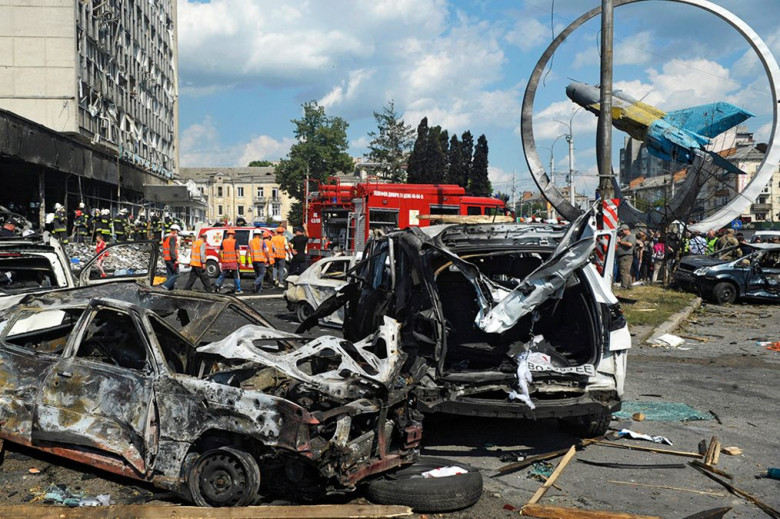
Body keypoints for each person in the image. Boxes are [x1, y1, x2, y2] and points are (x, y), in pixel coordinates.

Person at [214, 228, 242, 294]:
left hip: (225, 262)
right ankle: (238, 289)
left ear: (227, 234)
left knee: (222, 275)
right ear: (233, 234)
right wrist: (239, 260)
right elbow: (237, 252)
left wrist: (220, 260)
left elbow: (220, 252)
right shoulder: (234, 241)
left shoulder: (224, 241)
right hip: (233, 262)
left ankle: (217, 285)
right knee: (236, 276)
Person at [247, 229, 271, 293]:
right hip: (261, 260)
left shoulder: (251, 242)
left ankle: (259, 289)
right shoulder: (262, 241)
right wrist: (268, 259)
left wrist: (247, 260)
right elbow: (266, 251)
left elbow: (247, 251)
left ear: (254, 234)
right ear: (260, 235)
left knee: (257, 275)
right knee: (262, 274)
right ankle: (256, 282)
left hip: (254, 260)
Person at [161, 224, 181, 290]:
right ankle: (166, 286)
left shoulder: (166, 237)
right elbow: (172, 250)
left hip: (166, 259)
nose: (177, 233)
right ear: (175, 231)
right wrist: (175, 259)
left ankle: (170, 289)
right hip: (171, 259)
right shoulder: (172, 238)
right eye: (177, 232)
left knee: (170, 275)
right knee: (177, 274)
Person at [616, 224, 635, 289]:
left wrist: (620, 242)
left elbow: (630, 244)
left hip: (626, 256)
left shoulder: (631, 236)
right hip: (622, 256)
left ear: (626, 230)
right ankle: (629, 286)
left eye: (622, 231)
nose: (621, 232)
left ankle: (624, 286)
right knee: (626, 271)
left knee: (623, 271)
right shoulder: (624, 237)